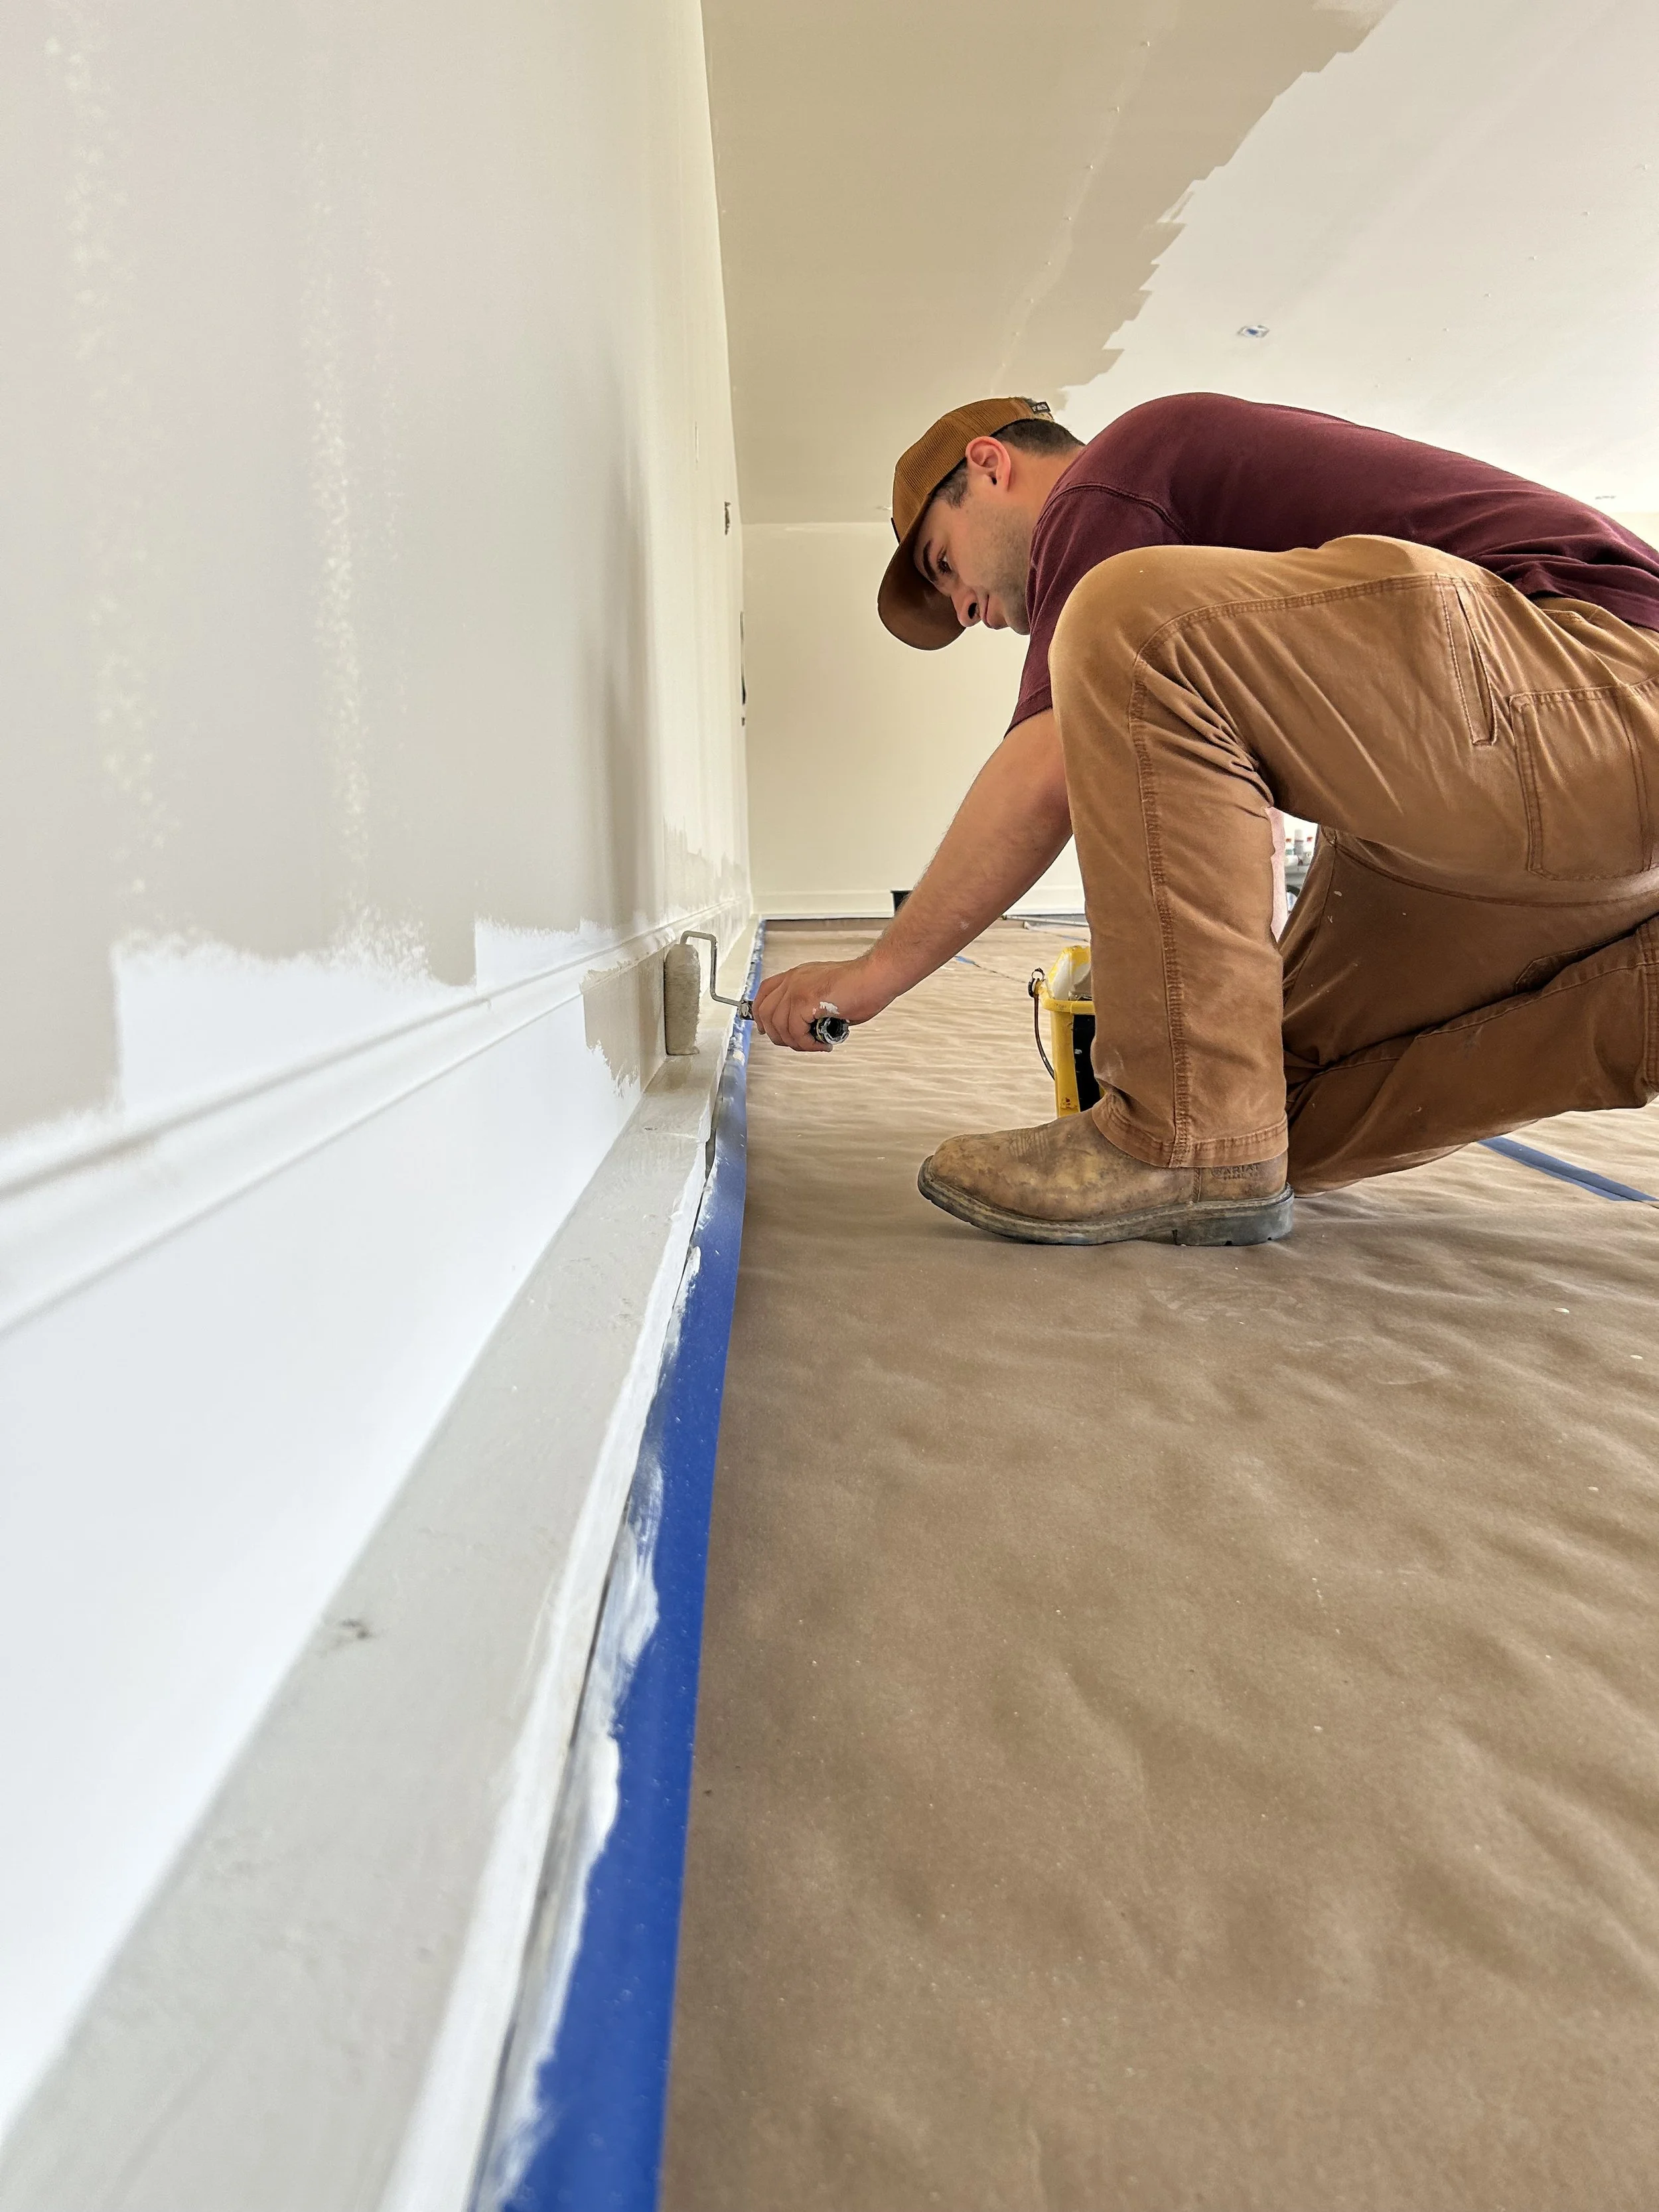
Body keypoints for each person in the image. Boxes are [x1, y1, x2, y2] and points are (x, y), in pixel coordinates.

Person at [751, 393, 1659, 1246]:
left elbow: (1045, 772)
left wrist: (872, 974)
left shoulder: (1120, 468)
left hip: (1604, 686)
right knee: (1258, 1108)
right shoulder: (1221, 619)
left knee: (1124, 621)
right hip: (1539, 801)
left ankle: (1174, 1140)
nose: (968, 611)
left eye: (942, 564)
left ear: (990, 466)